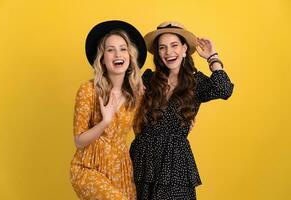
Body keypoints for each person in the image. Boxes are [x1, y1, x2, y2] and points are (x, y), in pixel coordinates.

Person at [130, 21, 234, 200]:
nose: (168, 52)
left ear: (185, 49)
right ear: (157, 53)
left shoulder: (196, 83)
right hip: (142, 160)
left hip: (174, 162)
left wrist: (213, 57)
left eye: (174, 45)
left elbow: (224, 89)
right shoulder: (148, 79)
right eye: (162, 47)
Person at [70, 20, 147, 200]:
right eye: (110, 50)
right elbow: (79, 141)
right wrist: (105, 121)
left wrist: (183, 123)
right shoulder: (88, 91)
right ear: (102, 59)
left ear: (130, 55)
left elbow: (143, 132)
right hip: (88, 167)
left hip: (121, 170)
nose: (117, 54)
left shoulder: (138, 96)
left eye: (123, 48)